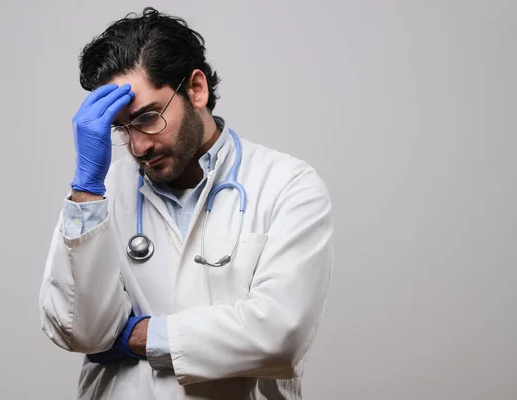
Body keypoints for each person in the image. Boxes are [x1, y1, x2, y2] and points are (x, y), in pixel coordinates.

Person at [38, 7, 333, 399]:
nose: (138, 146)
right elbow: (79, 329)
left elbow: (281, 334)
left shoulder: (287, 186)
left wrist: (139, 336)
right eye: (121, 128)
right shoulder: (98, 195)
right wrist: (87, 190)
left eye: (147, 118)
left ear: (196, 89)